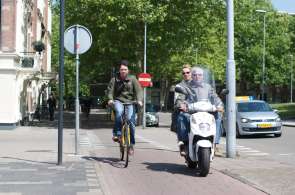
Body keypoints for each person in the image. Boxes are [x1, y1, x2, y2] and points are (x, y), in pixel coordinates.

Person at [175, 66, 224, 156]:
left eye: (199, 75)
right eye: (195, 75)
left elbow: (215, 98)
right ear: (192, 76)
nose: (197, 76)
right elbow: (180, 98)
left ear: (203, 76)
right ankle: (184, 144)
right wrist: (181, 104)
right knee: (182, 116)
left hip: (206, 111)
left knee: (218, 116)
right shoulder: (186, 87)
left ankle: (215, 143)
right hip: (192, 112)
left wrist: (220, 105)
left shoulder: (208, 87)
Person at [107, 60, 143, 155]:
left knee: (131, 123)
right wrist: (110, 99)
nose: (123, 71)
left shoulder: (133, 79)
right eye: (121, 69)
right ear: (119, 70)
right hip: (119, 101)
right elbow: (110, 91)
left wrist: (139, 100)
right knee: (119, 112)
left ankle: (131, 145)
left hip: (130, 102)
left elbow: (139, 91)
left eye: (125, 69)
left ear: (128, 70)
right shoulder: (114, 79)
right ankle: (117, 134)